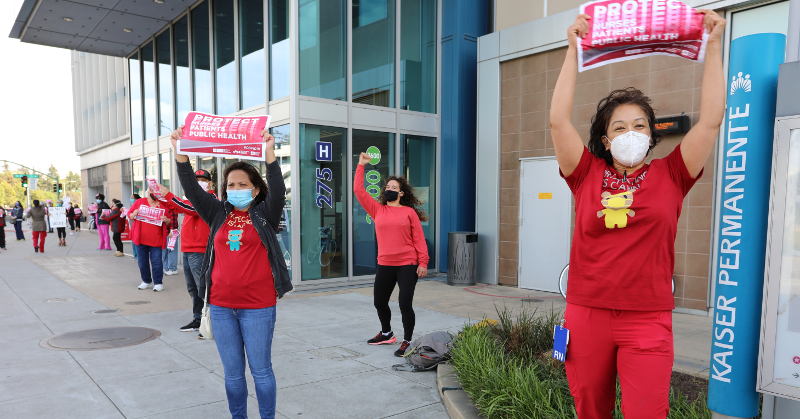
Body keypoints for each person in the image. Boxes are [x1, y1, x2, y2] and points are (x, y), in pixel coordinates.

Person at [548, 12, 725, 418]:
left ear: (651, 134)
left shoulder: (673, 174)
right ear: (607, 140)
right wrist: (572, 49)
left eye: (640, 126)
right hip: (586, 314)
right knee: (590, 410)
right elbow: (558, 121)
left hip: (648, 319)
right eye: (621, 127)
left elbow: (711, 120)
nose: (632, 134)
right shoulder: (585, 174)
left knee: (647, 412)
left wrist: (713, 47)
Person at [170, 126, 291, 419]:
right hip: (222, 306)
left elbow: (279, 188)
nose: (235, 189)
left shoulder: (265, 213)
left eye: (242, 184)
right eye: (231, 185)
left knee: (261, 372)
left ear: (256, 188)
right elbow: (191, 190)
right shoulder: (217, 213)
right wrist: (181, 155)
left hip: (259, 307)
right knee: (233, 375)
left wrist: (270, 154)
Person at [354, 152, 430, 357]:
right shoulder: (378, 210)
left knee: (405, 303)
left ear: (402, 193)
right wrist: (361, 165)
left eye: (394, 188)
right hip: (385, 263)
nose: (389, 189)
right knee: (379, 301)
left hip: (407, 264)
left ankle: (407, 340)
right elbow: (358, 191)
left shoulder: (409, 213)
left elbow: (419, 240)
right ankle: (386, 333)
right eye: (387, 187)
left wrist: (423, 262)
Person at [156, 169, 216, 332]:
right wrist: (161, 197)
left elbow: (190, 209)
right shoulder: (192, 200)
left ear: (210, 183)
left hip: (201, 250)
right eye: (196, 180)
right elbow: (177, 207)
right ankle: (198, 319)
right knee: (193, 288)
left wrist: (168, 195)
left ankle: (211, 321)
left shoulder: (209, 198)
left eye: (202, 179)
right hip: (189, 249)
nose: (199, 182)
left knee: (203, 287)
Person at [128, 192, 173, 292]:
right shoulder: (140, 202)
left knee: (156, 262)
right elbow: (130, 215)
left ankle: (158, 282)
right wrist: (134, 214)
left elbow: (170, 222)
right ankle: (146, 280)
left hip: (156, 239)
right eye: (150, 191)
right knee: (142, 262)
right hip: (140, 238)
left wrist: (166, 220)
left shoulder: (163, 205)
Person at [162, 209, 180, 276]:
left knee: (171, 250)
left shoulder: (171, 205)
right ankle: (167, 268)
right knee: (167, 250)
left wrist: (171, 230)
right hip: (167, 231)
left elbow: (174, 219)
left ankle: (172, 269)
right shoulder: (165, 204)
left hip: (171, 231)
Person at [130, 194, 141, 260]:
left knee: (136, 241)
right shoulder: (133, 205)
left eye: (132, 198)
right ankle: (135, 255)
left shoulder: (139, 205)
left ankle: (138, 256)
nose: (131, 199)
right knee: (133, 241)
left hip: (137, 226)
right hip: (132, 226)